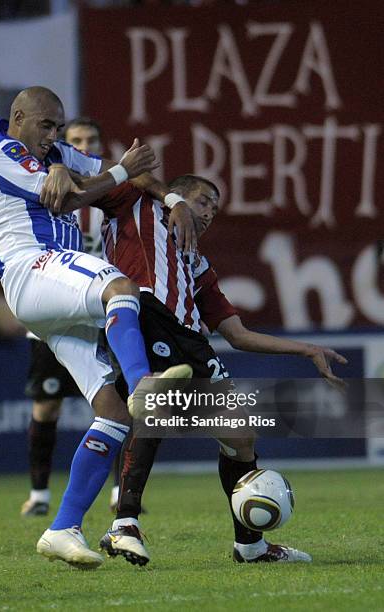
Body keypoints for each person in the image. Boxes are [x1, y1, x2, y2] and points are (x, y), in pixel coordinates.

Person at [41, 174, 346, 565]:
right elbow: (112, 180)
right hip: (145, 313)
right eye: (203, 202)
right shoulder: (140, 208)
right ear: (177, 198)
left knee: (241, 435)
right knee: (154, 407)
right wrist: (67, 169)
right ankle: (124, 524)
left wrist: (306, 350)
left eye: (215, 209)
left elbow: (237, 334)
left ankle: (249, 546)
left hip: (191, 339)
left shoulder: (197, 263)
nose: (209, 213)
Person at [0, 86, 195, 569]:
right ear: (17, 118)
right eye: (45, 126)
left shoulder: (52, 153)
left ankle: (63, 527)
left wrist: (171, 196)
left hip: (53, 292)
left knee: (112, 415)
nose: (52, 136)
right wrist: (106, 171)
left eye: (58, 127)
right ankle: (144, 386)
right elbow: (73, 195)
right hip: (32, 269)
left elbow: (124, 181)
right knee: (121, 287)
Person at [21, 116, 121, 517]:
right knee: (47, 406)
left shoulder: (112, 198)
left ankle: (121, 494)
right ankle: (40, 494)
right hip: (55, 306)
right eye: (76, 140)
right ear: (64, 146)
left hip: (103, 306)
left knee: (123, 400)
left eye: (91, 139)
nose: (85, 145)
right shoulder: (45, 186)